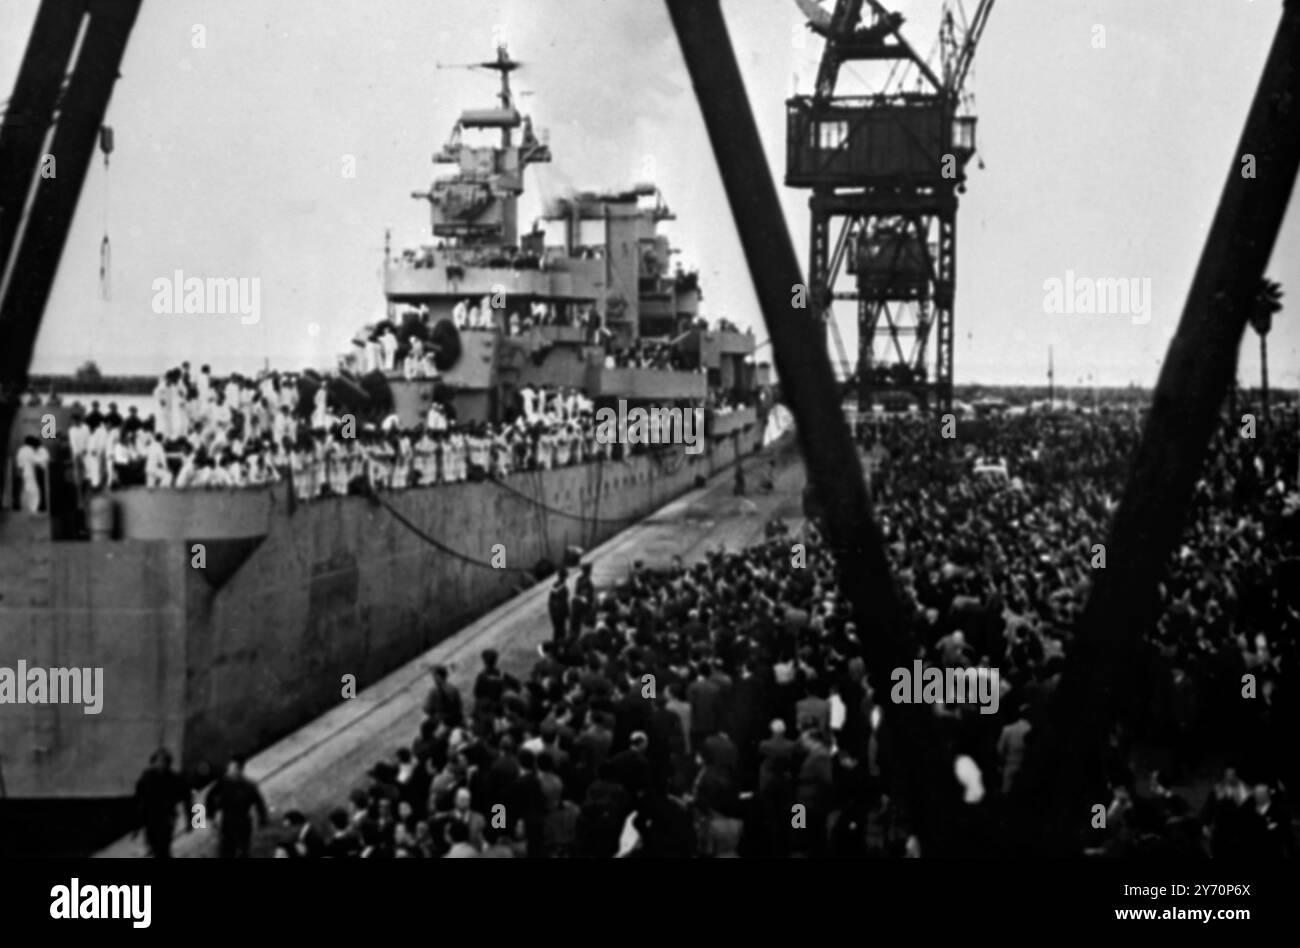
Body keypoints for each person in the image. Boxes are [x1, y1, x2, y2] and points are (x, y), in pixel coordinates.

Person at [205, 756, 269, 858]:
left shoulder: (248, 785)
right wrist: (210, 817)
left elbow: (259, 802)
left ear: (240, 769)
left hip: (243, 821)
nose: (232, 771)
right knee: (227, 850)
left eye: (234, 768)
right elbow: (209, 799)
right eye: (231, 768)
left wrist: (262, 819)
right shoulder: (222, 784)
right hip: (228, 821)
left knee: (242, 850)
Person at [133, 748, 191, 858]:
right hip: (150, 820)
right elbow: (139, 801)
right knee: (156, 848)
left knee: (163, 849)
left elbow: (188, 798)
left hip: (166, 820)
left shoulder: (174, 779)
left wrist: (193, 820)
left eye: (163, 761)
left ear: (168, 762)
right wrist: (136, 826)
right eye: (158, 761)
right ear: (153, 762)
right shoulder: (147, 778)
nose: (160, 764)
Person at [548, 569, 570, 644]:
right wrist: (568, 614)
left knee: (557, 631)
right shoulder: (564, 589)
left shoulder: (554, 585)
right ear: (565, 577)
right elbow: (564, 603)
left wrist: (552, 611)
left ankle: (556, 646)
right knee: (561, 632)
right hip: (559, 614)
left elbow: (551, 600)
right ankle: (558, 649)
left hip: (553, 612)